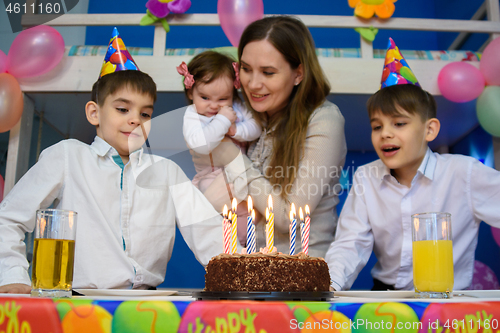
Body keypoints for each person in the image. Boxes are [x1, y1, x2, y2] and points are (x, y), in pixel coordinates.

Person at [0, 28, 222, 294]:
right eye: (122, 109)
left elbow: (207, 230)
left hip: (146, 303)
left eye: (146, 114)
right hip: (77, 300)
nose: (135, 120)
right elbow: (8, 219)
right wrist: (12, 275)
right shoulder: (68, 156)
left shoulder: (166, 172)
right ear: (94, 113)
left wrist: (244, 273)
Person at [325, 38, 500, 291]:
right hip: (386, 296)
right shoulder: (366, 177)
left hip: (447, 299)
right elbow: (350, 243)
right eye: (377, 126)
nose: (385, 133)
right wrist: (331, 284)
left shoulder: (464, 173)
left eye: (399, 123)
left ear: (429, 130)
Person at [200, 16, 347, 258]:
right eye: (246, 69)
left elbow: (288, 219)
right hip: (249, 272)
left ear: (298, 73)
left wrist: (231, 155)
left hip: (300, 280)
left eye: (268, 72)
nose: (253, 84)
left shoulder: (324, 120)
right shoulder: (247, 118)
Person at [179, 51, 261, 194]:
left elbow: (256, 128)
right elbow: (200, 145)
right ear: (191, 93)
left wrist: (236, 130)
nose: (214, 105)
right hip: (210, 176)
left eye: (223, 99)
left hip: (243, 171)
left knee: (250, 197)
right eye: (205, 98)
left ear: (233, 95)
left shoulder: (236, 107)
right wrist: (222, 120)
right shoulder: (193, 115)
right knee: (210, 194)